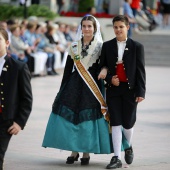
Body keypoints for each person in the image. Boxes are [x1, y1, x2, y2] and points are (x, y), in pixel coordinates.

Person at [42, 15, 113, 165]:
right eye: (84, 26)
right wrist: (62, 89)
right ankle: (74, 151)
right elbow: (68, 69)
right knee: (72, 116)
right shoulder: (74, 46)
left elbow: (107, 64)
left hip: (92, 85)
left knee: (87, 118)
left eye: (89, 26)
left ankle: (86, 152)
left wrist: (105, 69)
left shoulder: (101, 46)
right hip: (74, 85)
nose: (86, 29)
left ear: (95, 28)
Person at [98, 15, 146, 169]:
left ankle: (129, 145)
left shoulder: (137, 46)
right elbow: (102, 67)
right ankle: (116, 157)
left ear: (127, 27)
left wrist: (141, 91)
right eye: (116, 27)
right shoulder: (107, 46)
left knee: (128, 123)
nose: (118, 30)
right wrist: (110, 78)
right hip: (113, 89)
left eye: (121, 27)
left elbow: (140, 71)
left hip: (130, 90)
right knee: (116, 122)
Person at [0, 27, 32, 170]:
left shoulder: (18, 67)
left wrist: (19, 122)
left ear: (7, 43)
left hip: (4, 121)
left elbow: (27, 98)